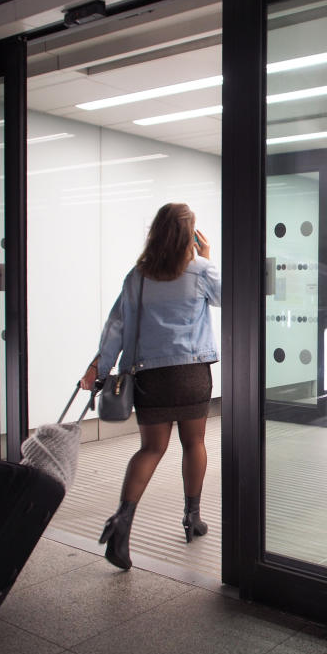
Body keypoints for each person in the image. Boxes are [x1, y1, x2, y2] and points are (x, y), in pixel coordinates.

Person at [79, 202, 221, 570]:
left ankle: (121, 523)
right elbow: (231, 299)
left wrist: (100, 367)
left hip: (150, 377)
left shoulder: (137, 276)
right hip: (190, 375)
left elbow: (116, 328)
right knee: (195, 443)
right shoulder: (201, 271)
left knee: (150, 449)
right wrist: (206, 258)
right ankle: (192, 517)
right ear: (189, 234)